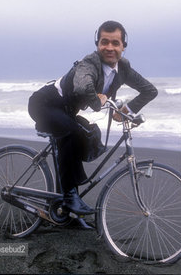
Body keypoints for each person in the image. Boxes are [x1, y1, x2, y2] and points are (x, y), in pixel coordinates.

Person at [28, 21, 158, 215]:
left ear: (124, 46)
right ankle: (70, 198)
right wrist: (98, 101)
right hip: (44, 104)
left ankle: (63, 210)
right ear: (97, 44)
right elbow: (83, 85)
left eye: (115, 43)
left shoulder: (123, 69)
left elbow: (149, 90)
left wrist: (126, 110)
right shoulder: (89, 63)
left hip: (65, 111)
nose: (109, 47)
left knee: (84, 136)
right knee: (71, 133)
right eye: (104, 42)